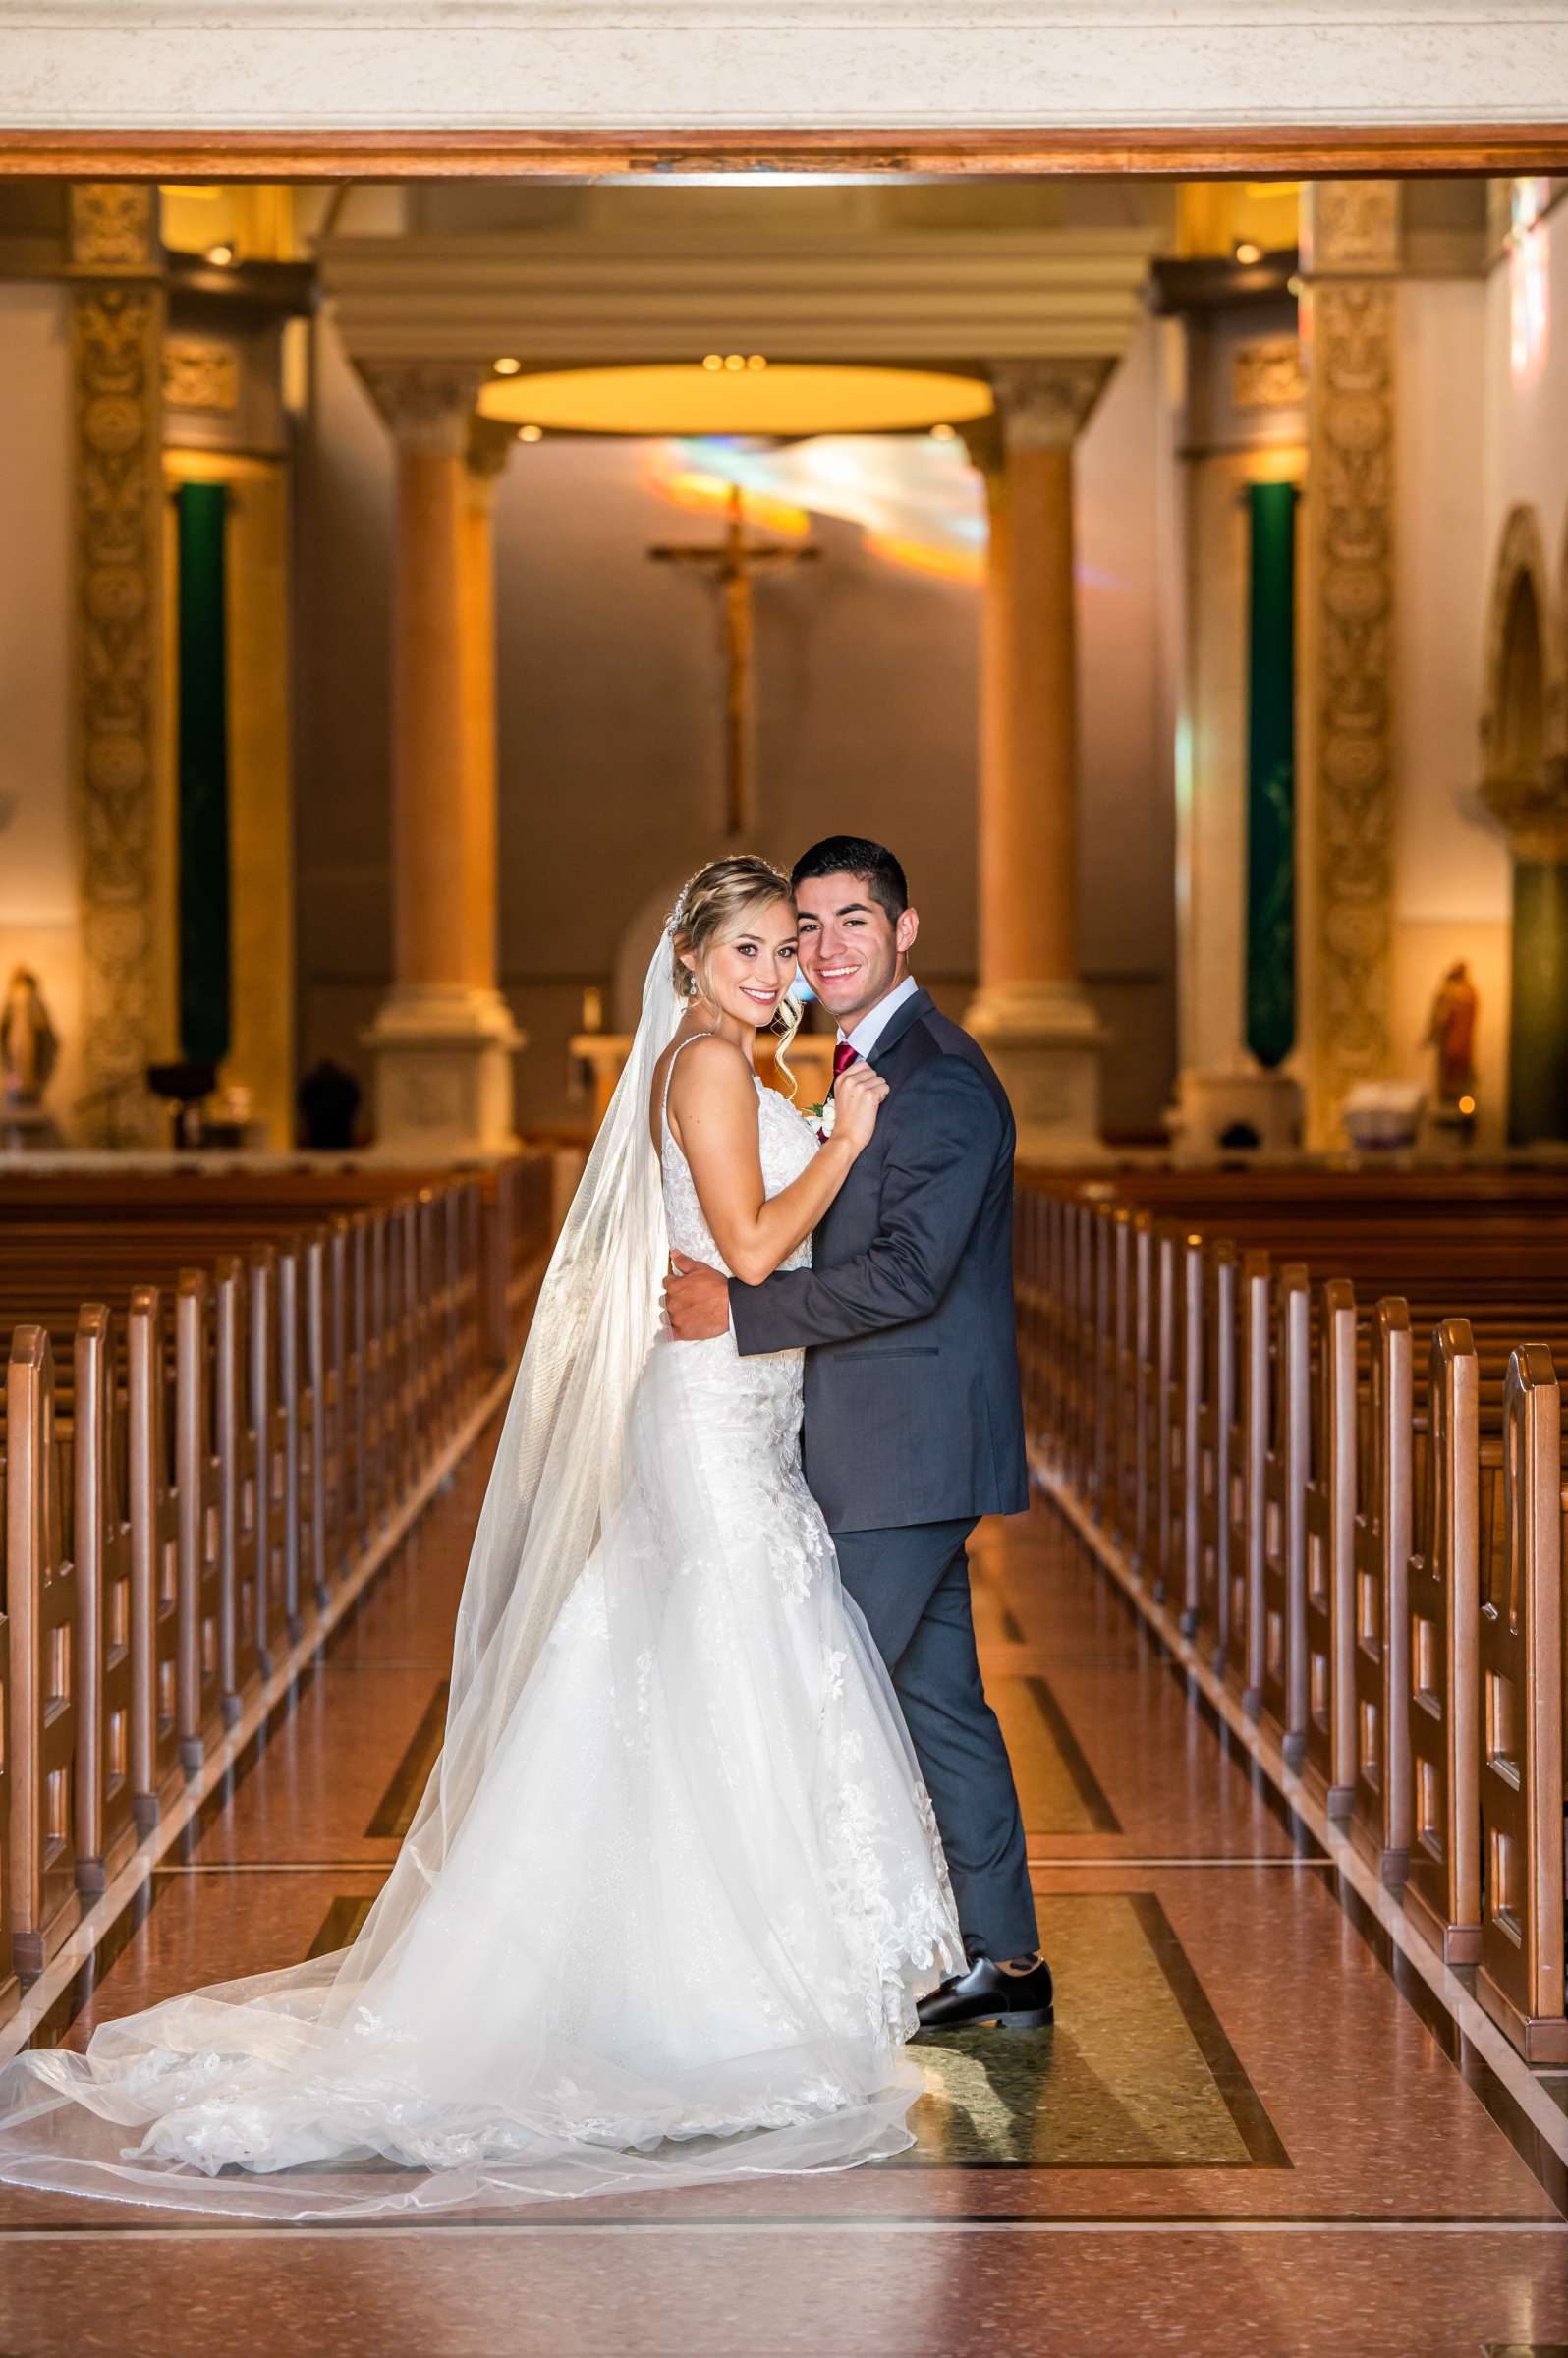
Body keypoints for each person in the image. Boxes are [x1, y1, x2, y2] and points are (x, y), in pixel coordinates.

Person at [0, 855, 962, 2219]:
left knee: (695, 1666)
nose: (770, 971)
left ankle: (689, 1964)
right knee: (727, 1653)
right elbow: (751, 1253)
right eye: (745, 948)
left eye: (781, 950)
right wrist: (853, 1144)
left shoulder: (733, 1065)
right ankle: (712, 1992)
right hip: (709, 1413)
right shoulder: (704, 1066)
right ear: (688, 960)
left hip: (737, 1407)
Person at [665, 836, 1053, 2036]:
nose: (823, 951)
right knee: (939, 1700)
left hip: (906, 1442)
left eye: (848, 925)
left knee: (818, 1696)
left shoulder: (935, 1077)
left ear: (905, 929)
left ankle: (773, 1983)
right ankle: (1010, 1967)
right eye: (803, 931)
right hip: (873, 1437)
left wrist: (744, 1311)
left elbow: (910, 1277)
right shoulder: (842, 1065)